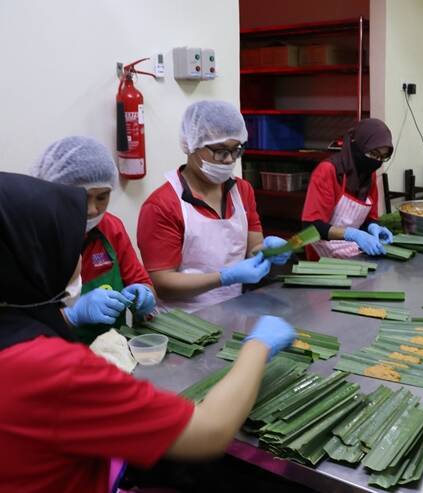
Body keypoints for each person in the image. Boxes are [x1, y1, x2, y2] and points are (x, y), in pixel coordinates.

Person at [0, 172, 297, 493]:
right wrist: (258, 346)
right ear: (37, 256)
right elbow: (209, 431)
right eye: (70, 243)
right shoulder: (50, 370)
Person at [138, 101, 291, 313]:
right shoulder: (162, 205)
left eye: (236, 150)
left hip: (233, 309)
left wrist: (266, 250)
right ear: (191, 145)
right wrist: (224, 278)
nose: (229, 160)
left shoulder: (242, 191)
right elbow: (163, 285)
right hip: (184, 321)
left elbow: (252, 248)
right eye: (220, 151)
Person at [30, 136, 156, 344]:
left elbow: (140, 281)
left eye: (102, 197)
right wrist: (71, 315)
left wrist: (143, 296)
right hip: (53, 357)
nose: (92, 210)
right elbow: (18, 326)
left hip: (113, 351)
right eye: (81, 197)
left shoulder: (110, 227)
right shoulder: (29, 237)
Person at [302, 118, 395, 259]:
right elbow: (311, 228)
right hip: (322, 256)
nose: (377, 161)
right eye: (373, 154)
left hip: (352, 251)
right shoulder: (329, 171)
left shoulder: (369, 176)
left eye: (383, 157)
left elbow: (368, 218)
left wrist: (373, 227)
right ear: (358, 147)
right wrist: (351, 234)